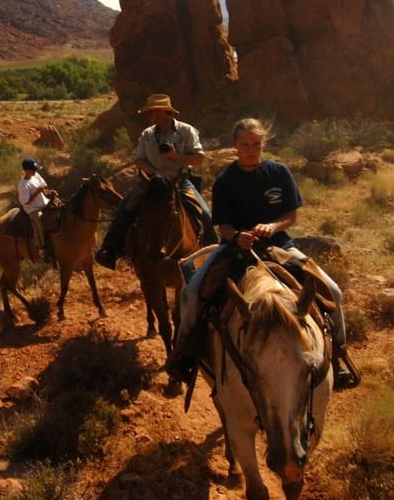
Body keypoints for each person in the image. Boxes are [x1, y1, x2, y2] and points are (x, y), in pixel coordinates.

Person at [181, 117, 357, 388]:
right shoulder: (225, 180)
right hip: (235, 248)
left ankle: (339, 357)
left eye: (257, 144)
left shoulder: (279, 173)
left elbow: (291, 216)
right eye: (245, 144)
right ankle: (185, 354)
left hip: (279, 246)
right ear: (235, 146)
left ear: (264, 144)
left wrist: (273, 226)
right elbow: (224, 226)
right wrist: (237, 236)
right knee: (193, 290)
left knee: (332, 290)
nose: (251, 149)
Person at [95, 94, 215, 269]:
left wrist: (176, 157)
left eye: (154, 112)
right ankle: (110, 250)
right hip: (151, 183)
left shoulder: (186, 131)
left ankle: (214, 255)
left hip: (178, 181)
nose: (151, 116)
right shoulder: (147, 134)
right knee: (125, 207)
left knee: (204, 214)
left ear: (166, 112)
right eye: (150, 113)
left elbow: (199, 158)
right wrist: (152, 171)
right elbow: (139, 160)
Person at [18, 158, 56, 263]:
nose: (35, 171)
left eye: (35, 169)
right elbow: (25, 202)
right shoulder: (23, 185)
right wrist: (36, 192)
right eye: (32, 170)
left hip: (44, 203)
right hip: (33, 209)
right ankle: (42, 249)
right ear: (26, 170)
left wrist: (49, 192)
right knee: (38, 223)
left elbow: (43, 189)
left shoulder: (36, 176)